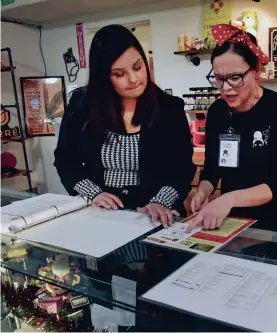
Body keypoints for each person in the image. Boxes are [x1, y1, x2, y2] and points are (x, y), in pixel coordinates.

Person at [54, 24, 195, 226]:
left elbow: (182, 167)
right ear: (103, 77)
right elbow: (65, 160)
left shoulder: (169, 107)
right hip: (104, 213)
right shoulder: (83, 105)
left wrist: (160, 201)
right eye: (119, 74)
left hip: (156, 214)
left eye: (138, 67)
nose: (134, 79)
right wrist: (94, 193)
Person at [188, 24, 277, 232]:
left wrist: (229, 199)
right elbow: (212, 168)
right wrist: (203, 191)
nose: (226, 88)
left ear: (256, 70)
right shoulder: (218, 112)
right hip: (231, 221)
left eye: (235, 77)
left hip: (274, 223)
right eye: (219, 79)